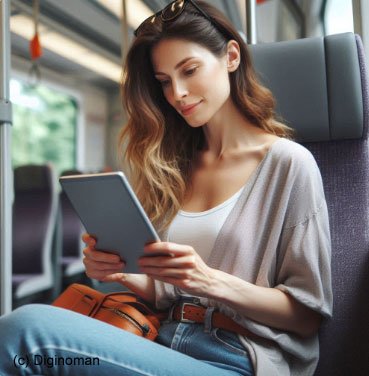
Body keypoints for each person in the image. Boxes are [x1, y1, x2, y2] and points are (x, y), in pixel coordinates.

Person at [0, 1, 332, 375]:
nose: (177, 94)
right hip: (161, 339)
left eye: (189, 71)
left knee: (24, 331)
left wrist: (209, 281)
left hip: (236, 356)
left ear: (232, 57)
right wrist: (124, 273)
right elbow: (167, 291)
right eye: (164, 82)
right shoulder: (174, 166)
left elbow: (307, 314)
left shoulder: (289, 164)